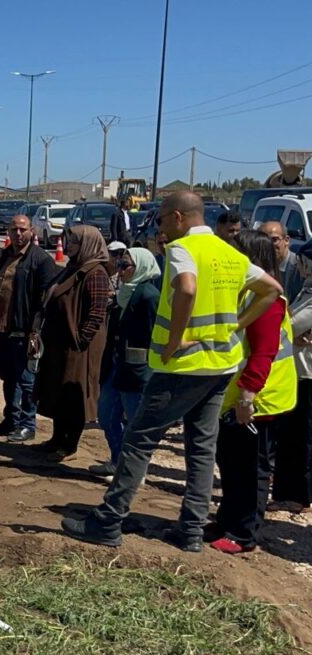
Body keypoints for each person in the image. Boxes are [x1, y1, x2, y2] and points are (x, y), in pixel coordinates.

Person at [63, 191, 283, 552]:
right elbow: (271, 290)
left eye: (163, 220)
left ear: (179, 217)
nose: (160, 229)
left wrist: (176, 338)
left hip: (183, 365)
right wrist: (235, 325)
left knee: (139, 441)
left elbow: (187, 288)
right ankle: (191, 530)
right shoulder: (230, 253)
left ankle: (108, 520)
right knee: (202, 448)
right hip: (220, 365)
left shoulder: (183, 250)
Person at [211, 230, 297, 553]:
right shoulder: (248, 294)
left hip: (261, 400)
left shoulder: (267, 300)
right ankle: (227, 521)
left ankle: (244, 533)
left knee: (251, 470)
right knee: (232, 463)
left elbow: (263, 353)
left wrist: (248, 397)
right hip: (244, 396)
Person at [29, 225, 110, 462]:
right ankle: (56, 439)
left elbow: (96, 312)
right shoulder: (72, 269)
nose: (68, 246)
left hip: (78, 348)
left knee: (74, 394)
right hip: (59, 343)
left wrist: (81, 340)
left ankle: (69, 445)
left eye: (73, 242)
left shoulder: (95, 273)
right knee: (57, 390)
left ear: (87, 244)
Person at [0, 214, 59, 443]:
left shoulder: (41, 260)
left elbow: (47, 300)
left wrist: (36, 330)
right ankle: (11, 419)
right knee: (8, 377)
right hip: (2, 329)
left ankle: (27, 424)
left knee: (26, 380)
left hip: (25, 331)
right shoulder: (6, 255)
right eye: (14, 229)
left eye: (23, 229)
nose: (18, 233)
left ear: (32, 231)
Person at [91, 247, 160, 477]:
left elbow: (153, 336)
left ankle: (132, 472)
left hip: (136, 371)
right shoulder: (125, 294)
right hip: (116, 366)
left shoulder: (148, 296)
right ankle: (117, 460)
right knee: (106, 415)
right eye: (119, 265)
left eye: (125, 266)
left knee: (134, 423)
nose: (120, 271)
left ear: (140, 267)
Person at [274, 242, 312, 513]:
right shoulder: (306, 290)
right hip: (296, 370)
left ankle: (301, 496)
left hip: (307, 374)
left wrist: (291, 331)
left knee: (302, 438)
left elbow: (291, 325)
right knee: (290, 436)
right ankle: (287, 492)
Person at [260, 221, 304, 300]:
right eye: (264, 241)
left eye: (274, 240)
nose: (269, 245)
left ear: (286, 240)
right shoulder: (259, 266)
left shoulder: (301, 268)